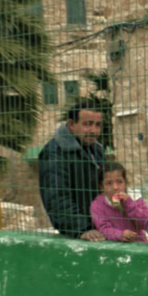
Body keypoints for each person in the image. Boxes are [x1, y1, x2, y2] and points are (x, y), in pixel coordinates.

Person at [38, 102, 106, 242]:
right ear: (71, 125)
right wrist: (82, 229)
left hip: (100, 230)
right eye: (87, 124)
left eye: (97, 125)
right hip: (79, 235)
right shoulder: (54, 153)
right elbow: (56, 197)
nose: (93, 130)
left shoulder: (96, 150)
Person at [90, 162, 148, 243]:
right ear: (101, 186)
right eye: (109, 183)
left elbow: (146, 222)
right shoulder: (97, 205)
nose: (115, 187)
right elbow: (104, 228)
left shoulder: (135, 197)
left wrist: (129, 204)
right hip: (115, 247)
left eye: (119, 182)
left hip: (140, 244)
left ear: (125, 183)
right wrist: (120, 235)